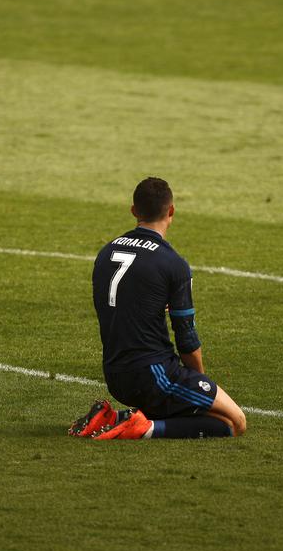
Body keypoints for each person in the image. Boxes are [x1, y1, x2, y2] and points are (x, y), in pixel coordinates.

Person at [69, 177, 247, 440]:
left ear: (133, 211)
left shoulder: (106, 253)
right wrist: (200, 383)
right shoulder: (173, 264)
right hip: (153, 375)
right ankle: (145, 428)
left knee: (199, 413)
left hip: (115, 373)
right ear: (171, 210)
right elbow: (186, 337)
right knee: (234, 422)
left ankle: (112, 417)